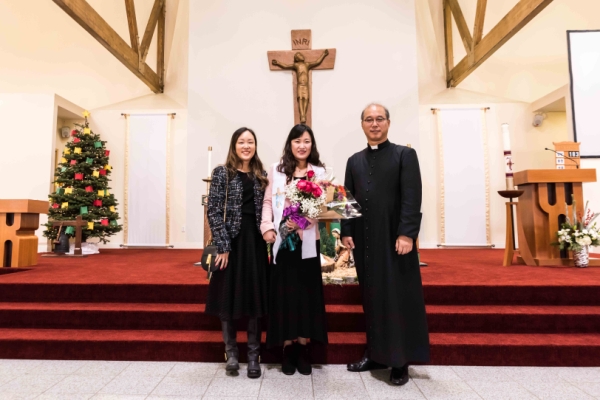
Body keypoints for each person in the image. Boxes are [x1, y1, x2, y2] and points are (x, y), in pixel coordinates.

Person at [341, 104, 430, 386]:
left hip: (394, 240)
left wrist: (407, 234)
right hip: (365, 242)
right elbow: (347, 200)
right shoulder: (354, 160)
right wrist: (346, 232)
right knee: (372, 298)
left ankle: (400, 361)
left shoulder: (404, 155)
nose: (374, 124)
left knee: (397, 298)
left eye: (380, 119)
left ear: (388, 123)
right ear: (362, 125)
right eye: (369, 119)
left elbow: (412, 196)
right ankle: (376, 354)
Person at [261, 124, 328, 375]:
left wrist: (304, 219)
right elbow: (268, 201)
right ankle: (287, 348)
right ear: (290, 144)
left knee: (306, 294)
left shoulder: (319, 172)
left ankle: (303, 346)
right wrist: (267, 227)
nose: (302, 145)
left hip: (307, 239)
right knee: (285, 293)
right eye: (297, 141)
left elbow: (324, 205)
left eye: (306, 141)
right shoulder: (277, 170)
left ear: (312, 145)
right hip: (284, 240)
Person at [205, 127, 269, 379]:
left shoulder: (261, 175)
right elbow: (213, 210)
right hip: (230, 243)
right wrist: (223, 246)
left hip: (255, 243)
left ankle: (253, 355)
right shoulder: (222, 172)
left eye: (250, 142)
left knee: (254, 298)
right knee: (227, 296)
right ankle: (231, 353)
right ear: (234, 146)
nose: (246, 146)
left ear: (255, 146)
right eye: (241, 142)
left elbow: (267, 210)